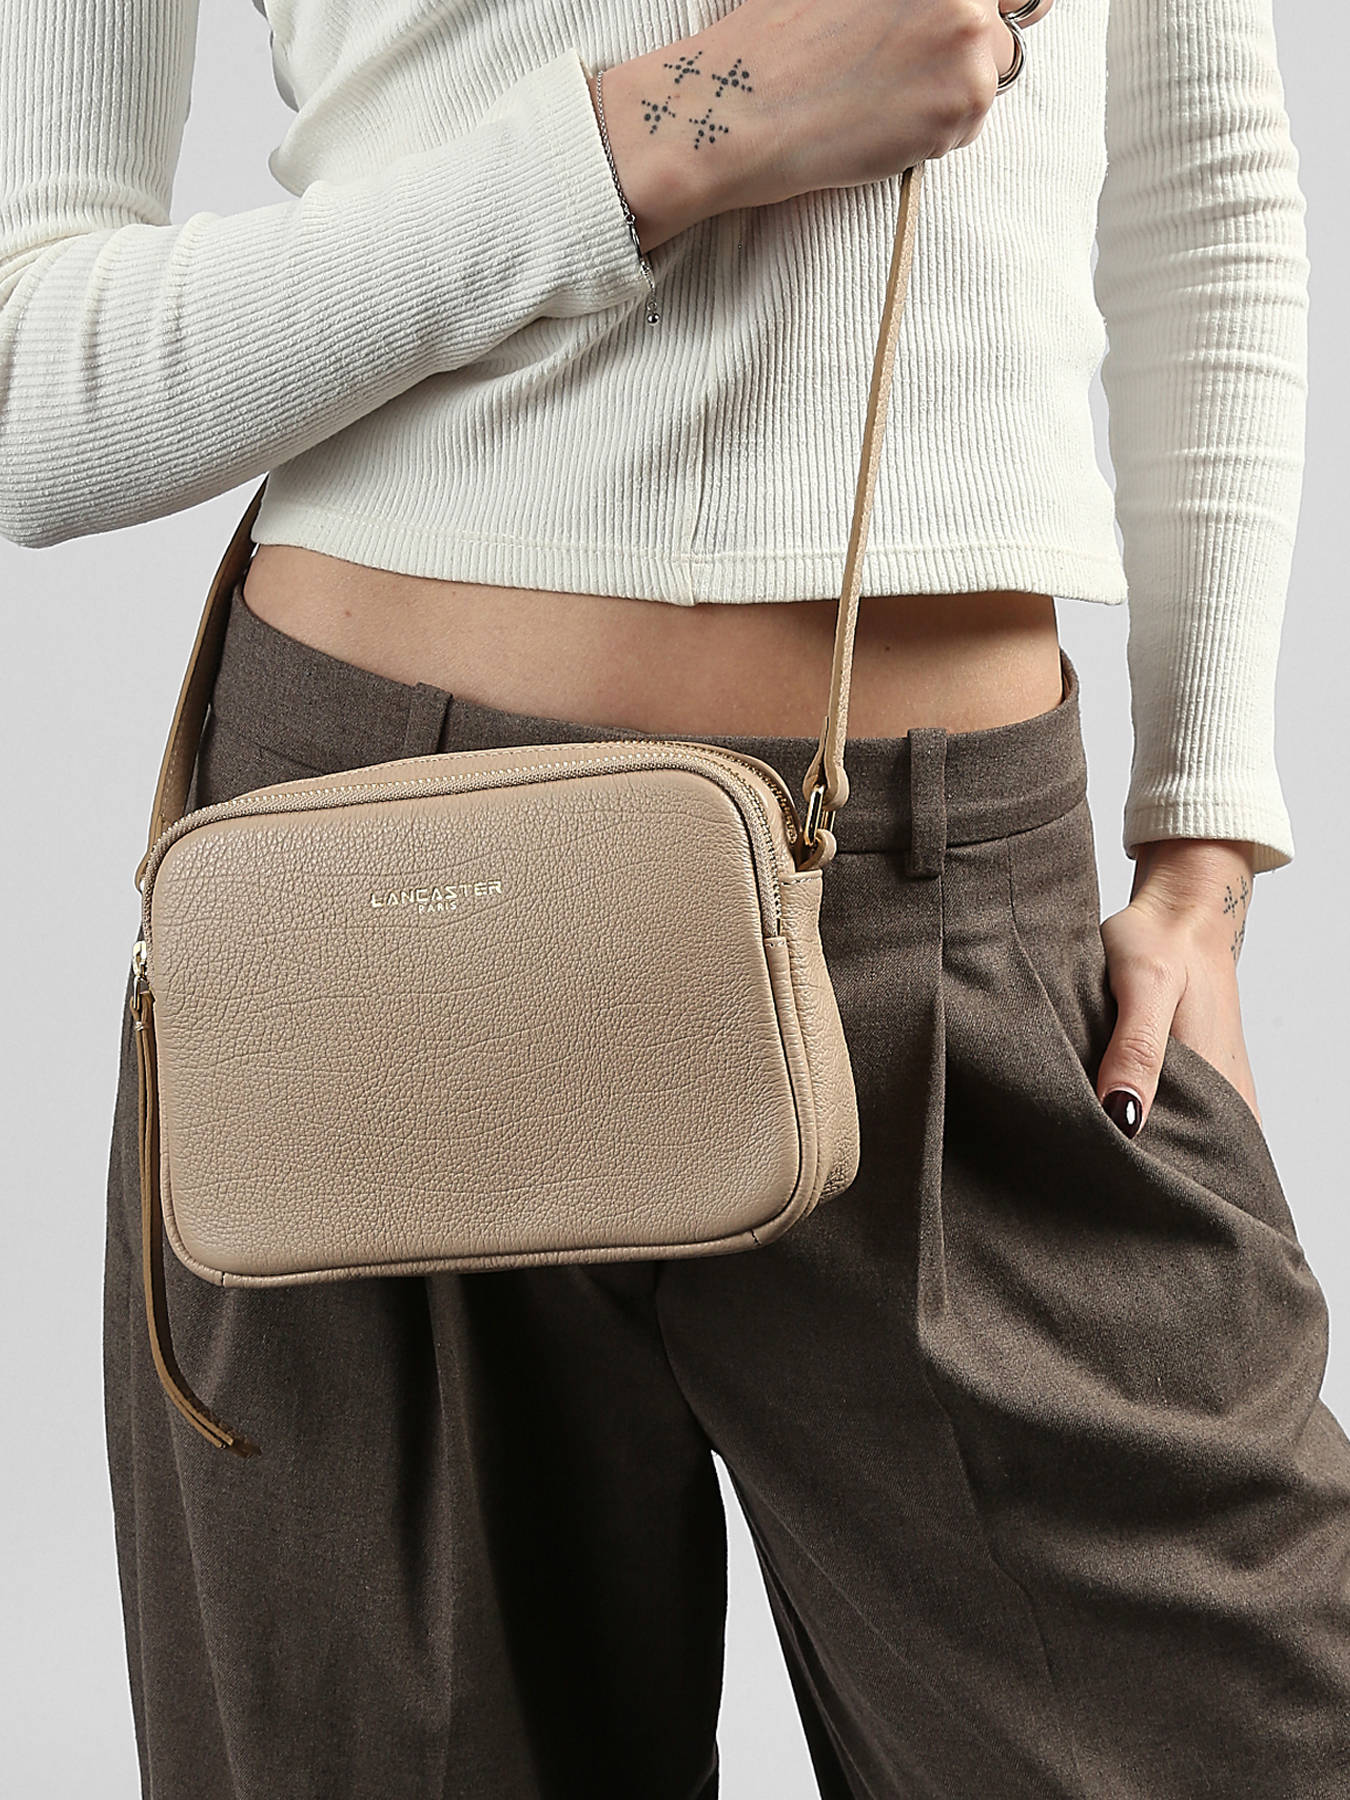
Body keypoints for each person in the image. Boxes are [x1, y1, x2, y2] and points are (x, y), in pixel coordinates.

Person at [4, 0, 1348, 1793]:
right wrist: (659, 135)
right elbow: (32, 388)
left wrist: (1201, 848)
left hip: (939, 913)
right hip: (377, 932)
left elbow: (1204, 179)